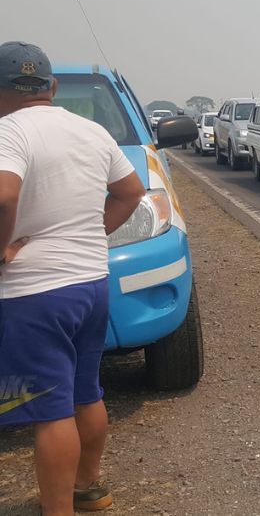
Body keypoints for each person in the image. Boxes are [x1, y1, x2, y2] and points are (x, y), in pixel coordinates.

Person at [0, 42, 145, 514]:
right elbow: (131, 191)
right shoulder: (91, 130)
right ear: (52, 87)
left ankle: (58, 510)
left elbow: (4, 198)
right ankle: (89, 487)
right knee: (86, 392)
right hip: (90, 283)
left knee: (48, 410)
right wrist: (89, 233)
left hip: (34, 291)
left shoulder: (9, 131)